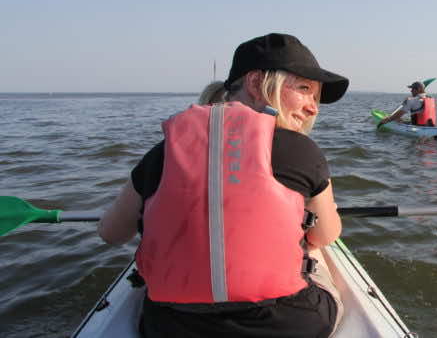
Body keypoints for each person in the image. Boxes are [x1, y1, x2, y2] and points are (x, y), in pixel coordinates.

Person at [98, 33, 349, 338]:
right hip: (290, 325)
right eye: (305, 89)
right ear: (257, 84)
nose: (314, 108)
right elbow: (327, 234)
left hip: (171, 328)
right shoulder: (301, 151)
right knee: (313, 245)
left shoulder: (163, 153)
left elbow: (111, 234)